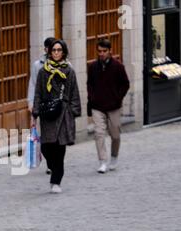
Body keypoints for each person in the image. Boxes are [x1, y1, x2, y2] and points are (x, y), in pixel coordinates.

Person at [32, 40, 81, 194]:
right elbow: (38, 92)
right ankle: (54, 168)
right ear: (50, 52)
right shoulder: (43, 71)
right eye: (54, 50)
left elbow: (74, 92)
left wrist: (73, 110)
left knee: (60, 148)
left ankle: (56, 180)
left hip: (64, 113)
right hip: (48, 113)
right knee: (46, 147)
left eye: (59, 50)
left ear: (64, 52)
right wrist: (35, 112)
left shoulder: (69, 71)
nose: (56, 53)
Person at [87, 39, 130, 174]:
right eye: (99, 51)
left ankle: (114, 156)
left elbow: (125, 84)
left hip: (114, 106)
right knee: (99, 133)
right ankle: (102, 161)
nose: (101, 54)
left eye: (104, 51)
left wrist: (118, 97)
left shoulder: (118, 66)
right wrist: (92, 97)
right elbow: (90, 84)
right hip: (97, 106)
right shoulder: (93, 67)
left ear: (110, 51)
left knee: (115, 135)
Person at [27, 37, 55, 175]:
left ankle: (55, 161)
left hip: (58, 106)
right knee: (45, 137)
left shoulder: (65, 64)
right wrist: (31, 103)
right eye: (50, 49)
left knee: (56, 136)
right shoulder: (37, 65)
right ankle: (50, 162)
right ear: (45, 49)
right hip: (43, 105)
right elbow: (32, 84)